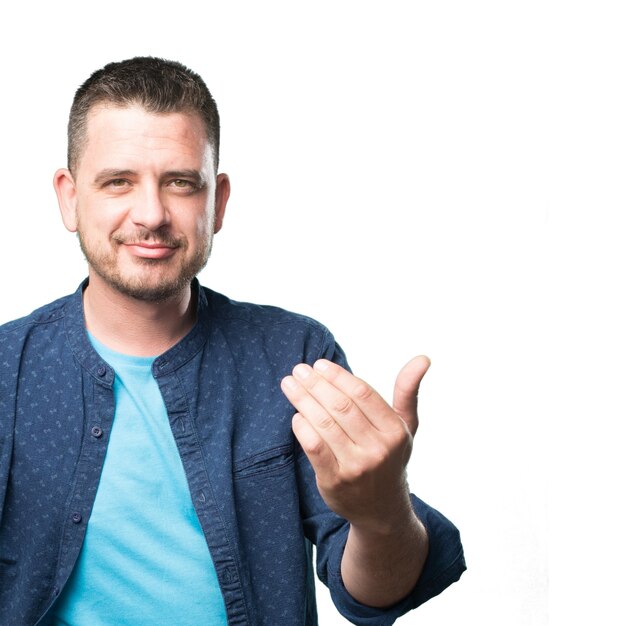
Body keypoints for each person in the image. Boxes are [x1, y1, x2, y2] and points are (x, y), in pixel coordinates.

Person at [0, 57, 465, 626]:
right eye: (118, 181)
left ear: (217, 201)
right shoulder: (5, 369)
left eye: (180, 183)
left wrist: (384, 512)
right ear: (70, 198)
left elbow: (370, 594)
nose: (150, 215)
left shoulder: (294, 355)